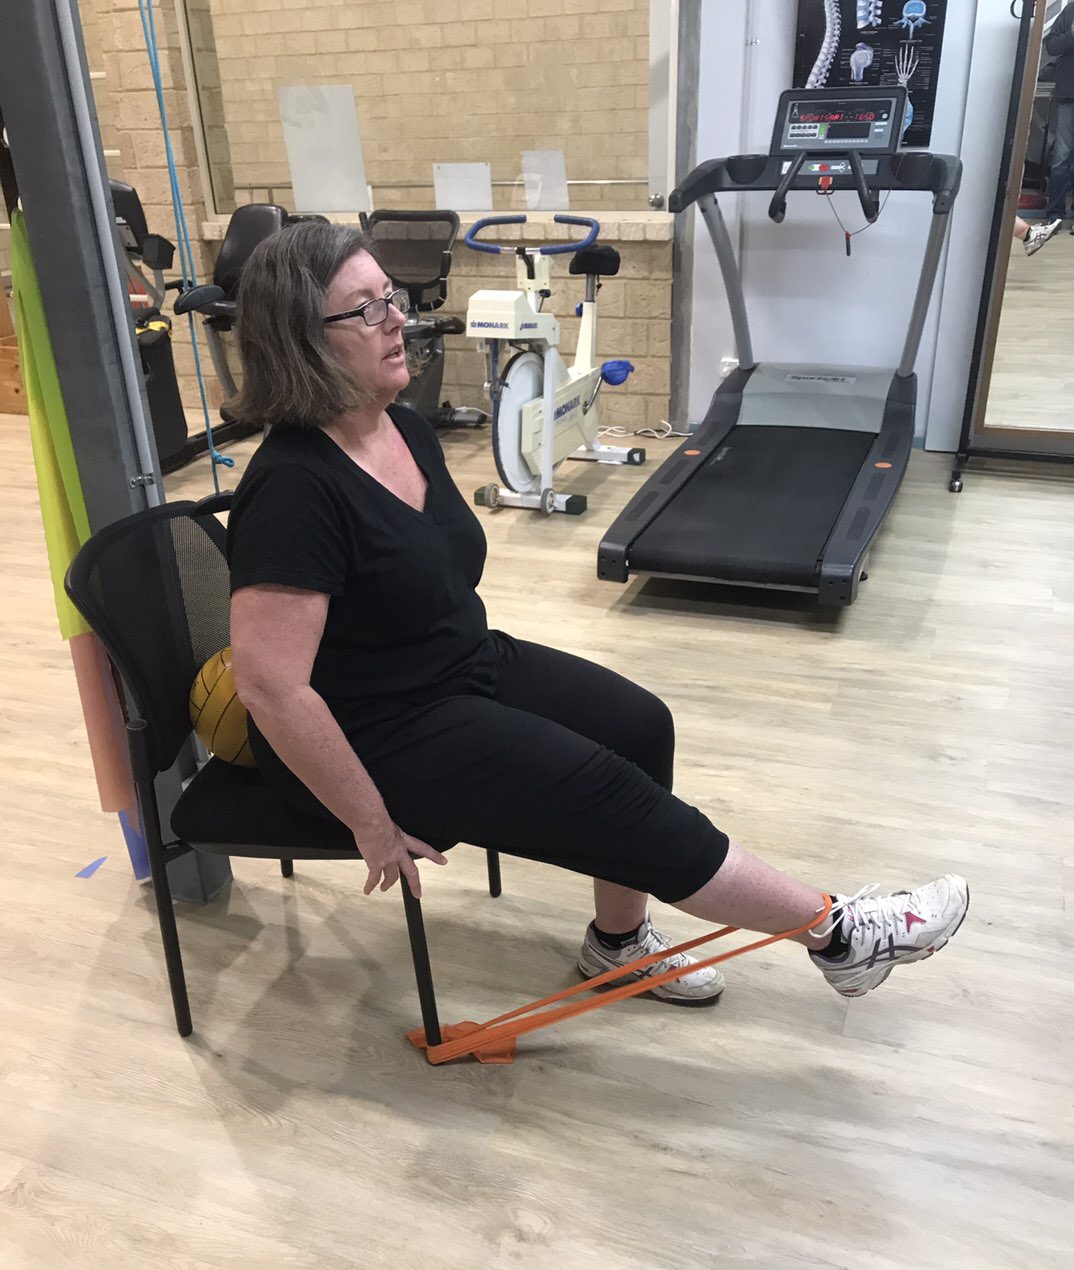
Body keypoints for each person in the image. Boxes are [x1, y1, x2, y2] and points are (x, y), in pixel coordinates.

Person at [224, 222, 969, 1009]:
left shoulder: (401, 428)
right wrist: (368, 820)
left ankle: (617, 945)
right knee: (609, 796)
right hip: (378, 729)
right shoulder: (294, 489)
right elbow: (271, 687)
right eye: (368, 309)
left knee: (639, 726)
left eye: (393, 298)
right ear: (304, 342)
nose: (399, 320)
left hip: (457, 665)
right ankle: (840, 934)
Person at [1042, 3, 1074, 226]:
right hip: (1068, 93)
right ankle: (1055, 214)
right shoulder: (1071, 9)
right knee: (1061, 157)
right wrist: (1071, 34)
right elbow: (1051, 47)